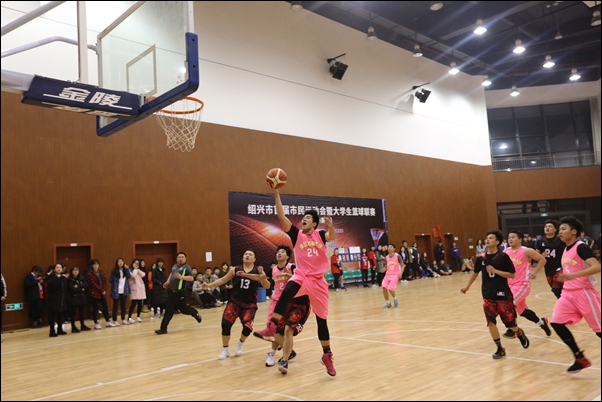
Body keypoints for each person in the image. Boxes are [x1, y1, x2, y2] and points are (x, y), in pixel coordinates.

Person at [253, 185, 337, 377]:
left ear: (314, 223)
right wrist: (276, 193)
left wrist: (331, 227)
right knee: (287, 291)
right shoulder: (297, 234)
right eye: (303, 218)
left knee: (322, 321)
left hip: (318, 282)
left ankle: (327, 355)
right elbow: (282, 217)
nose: (304, 220)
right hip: (302, 276)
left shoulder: (320, 235)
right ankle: (272, 327)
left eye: (307, 218)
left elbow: (330, 236)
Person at [460, 229, 530, 359]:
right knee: (491, 322)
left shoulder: (503, 257)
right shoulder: (481, 258)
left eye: (491, 238)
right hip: (487, 294)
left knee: (510, 324)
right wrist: (467, 287)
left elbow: (512, 275)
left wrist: (495, 271)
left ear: (497, 242)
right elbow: (475, 273)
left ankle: (519, 333)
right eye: (486, 238)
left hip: (503, 294)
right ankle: (500, 348)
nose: (487, 240)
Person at [549, 216, 601, 374]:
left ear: (574, 231)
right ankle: (580, 358)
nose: (560, 232)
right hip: (567, 294)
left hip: (584, 293)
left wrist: (574, 275)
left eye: (563, 229)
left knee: (599, 331)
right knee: (556, 323)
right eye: (559, 229)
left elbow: (597, 267)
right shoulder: (565, 249)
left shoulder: (581, 247)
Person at [203, 250, 269, 358]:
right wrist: (209, 285)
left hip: (250, 304)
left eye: (250, 255)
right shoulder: (235, 269)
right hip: (235, 302)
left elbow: (267, 286)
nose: (247, 255)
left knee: (247, 328)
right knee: (225, 324)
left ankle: (240, 343)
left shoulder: (258, 270)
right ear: (242, 257)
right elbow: (223, 280)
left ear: (254, 259)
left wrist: (262, 275)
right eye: (246, 254)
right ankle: (225, 349)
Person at [504, 230, 551, 337]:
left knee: (508, 303)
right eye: (509, 237)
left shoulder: (526, 251)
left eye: (513, 237)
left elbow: (542, 260)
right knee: (522, 311)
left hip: (522, 284)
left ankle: (512, 329)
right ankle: (542, 322)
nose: (510, 239)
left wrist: (535, 272)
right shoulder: (506, 251)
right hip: (509, 285)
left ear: (520, 239)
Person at [261, 245, 298, 368]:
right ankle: (288, 351)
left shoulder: (291, 267)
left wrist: (290, 276)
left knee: (279, 330)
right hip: (276, 301)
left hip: (289, 302)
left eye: (282, 252)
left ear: (287, 256)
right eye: (278, 252)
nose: (279, 253)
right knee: (272, 328)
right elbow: (265, 283)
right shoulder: (273, 270)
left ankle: (273, 353)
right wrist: (260, 277)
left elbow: (301, 278)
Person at [155, 252, 203, 335]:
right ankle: (163, 328)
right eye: (179, 257)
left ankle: (195, 313)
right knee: (168, 311)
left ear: (185, 259)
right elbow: (171, 273)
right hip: (171, 293)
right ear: (176, 259)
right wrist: (168, 281)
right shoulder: (174, 266)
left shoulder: (187, 267)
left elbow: (191, 278)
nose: (180, 258)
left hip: (180, 293)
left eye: (182, 257)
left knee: (183, 310)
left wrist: (181, 277)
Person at [535, 219, 565, 299]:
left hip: (560, 267)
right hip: (548, 269)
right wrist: (541, 256)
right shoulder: (540, 241)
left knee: (556, 289)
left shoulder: (560, 239)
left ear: (555, 229)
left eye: (550, 226)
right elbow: (536, 256)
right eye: (546, 226)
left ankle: (565, 302)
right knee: (557, 291)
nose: (547, 228)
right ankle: (565, 302)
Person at [86, 259, 115, 329]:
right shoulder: (90, 274)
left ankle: (108, 321)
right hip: (95, 293)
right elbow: (93, 284)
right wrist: (101, 290)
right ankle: (96, 323)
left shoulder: (101, 272)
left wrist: (104, 290)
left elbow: (104, 282)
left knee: (105, 307)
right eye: (94, 264)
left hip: (102, 293)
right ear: (92, 265)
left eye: (97, 264)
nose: (96, 266)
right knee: (95, 308)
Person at [46, 263, 68, 337]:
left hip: (61, 299)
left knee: (60, 315)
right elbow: (52, 286)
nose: (59, 269)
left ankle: (60, 329)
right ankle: (52, 331)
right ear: (54, 269)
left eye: (60, 267)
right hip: (53, 299)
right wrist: (60, 279)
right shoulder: (50, 277)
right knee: (53, 316)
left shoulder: (63, 278)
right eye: (57, 267)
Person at [67, 266, 91, 332]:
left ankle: (82, 325)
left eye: (77, 270)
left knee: (82, 313)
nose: (75, 272)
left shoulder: (81, 278)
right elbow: (72, 289)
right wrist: (81, 289)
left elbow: (86, 285)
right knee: (73, 313)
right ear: (71, 271)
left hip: (81, 298)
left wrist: (78, 286)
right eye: (74, 270)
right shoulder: (69, 279)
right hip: (73, 298)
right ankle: (73, 327)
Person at [109, 258, 131, 326]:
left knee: (123, 306)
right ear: (117, 263)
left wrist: (127, 269)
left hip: (124, 291)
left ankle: (123, 319)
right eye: (119, 261)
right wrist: (115, 283)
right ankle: (115, 320)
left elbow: (129, 276)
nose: (120, 262)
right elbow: (110, 280)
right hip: (116, 291)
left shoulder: (125, 270)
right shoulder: (114, 271)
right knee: (115, 306)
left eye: (122, 261)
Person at [382, 244, 404, 308]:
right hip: (387, 275)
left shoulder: (397, 256)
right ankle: (388, 303)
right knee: (384, 288)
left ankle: (395, 298)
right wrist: (384, 269)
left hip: (395, 275)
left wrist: (401, 273)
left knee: (390, 288)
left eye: (391, 247)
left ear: (394, 249)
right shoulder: (386, 257)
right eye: (388, 247)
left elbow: (403, 265)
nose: (389, 248)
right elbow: (386, 266)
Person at [127, 258, 146, 323]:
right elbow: (133, 276)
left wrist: (138, 269)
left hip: (140, 288)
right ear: (133, 263)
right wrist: (135, 269)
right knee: (134, 303)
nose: (136, 264)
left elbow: (143, 274)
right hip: (134, 289)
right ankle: (129, 317)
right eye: (135, 263)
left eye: (138, 263)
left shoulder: (138, 270)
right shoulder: (130, 270)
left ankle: (138, 316)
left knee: (140, 303)